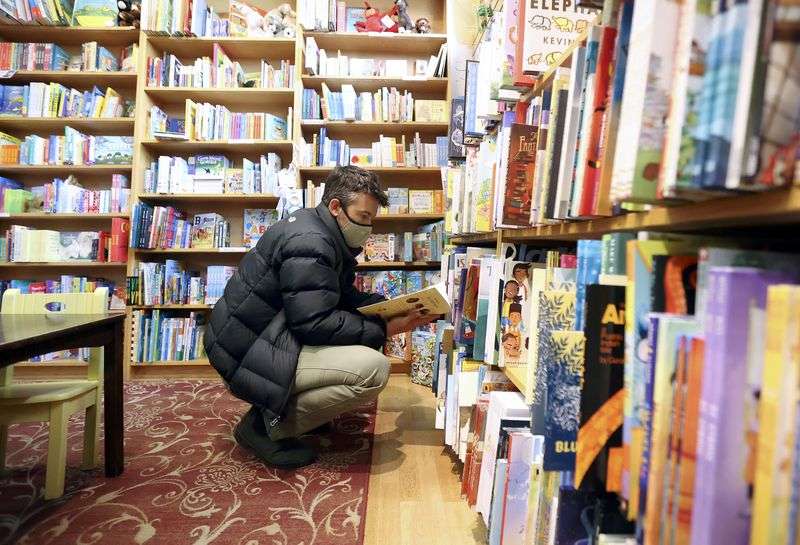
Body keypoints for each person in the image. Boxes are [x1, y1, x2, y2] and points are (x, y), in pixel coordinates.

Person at [204, 166, 437, 469]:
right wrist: (383, 327)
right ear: (336, 207)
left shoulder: (319, 230)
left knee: (361, 342)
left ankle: (285, 412)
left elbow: (334, 296)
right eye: (363, 217)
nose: (367, 228)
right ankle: (264, 427)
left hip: (258, 340)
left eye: (371, 219)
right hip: (247, 353)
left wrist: (386, 307)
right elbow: (312, 324)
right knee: (372, 369)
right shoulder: (311, 241)